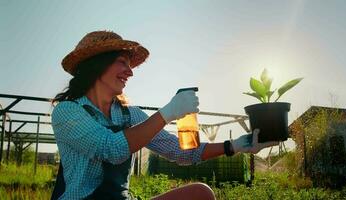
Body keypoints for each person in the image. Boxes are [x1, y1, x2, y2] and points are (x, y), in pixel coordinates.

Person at [51, 30, 278, 200]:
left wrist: (236, 145)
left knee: (201, 194)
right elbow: (109, 148)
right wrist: (168, 113)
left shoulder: (131, 116)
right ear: (96, 65)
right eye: (122, 62)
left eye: (130, 65)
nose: (130, 72)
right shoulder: (68, 111)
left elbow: (181, 153)